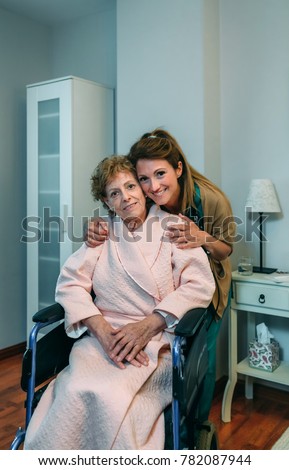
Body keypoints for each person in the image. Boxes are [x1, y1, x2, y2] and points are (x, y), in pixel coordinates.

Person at [24, 155, 215, 450]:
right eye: (115, 193)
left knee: (115, 399)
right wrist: (99, 327)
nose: (125, 197)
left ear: (142, 189)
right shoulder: (102, 233)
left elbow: (199, 284)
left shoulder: (174, 226)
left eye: (130, 186)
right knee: (75, 389)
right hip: (102, 340)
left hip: (156, 344)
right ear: (106, 200)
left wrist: (151, 324)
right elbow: (71, 283)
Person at [85, 129, 236, 424]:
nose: (152, 186)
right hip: (169, 290)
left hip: (210, 284)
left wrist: (201, 236)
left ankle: (195, 429)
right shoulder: (142, 202)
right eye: (143, 179)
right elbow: (121, 212)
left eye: (160, 174)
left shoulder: (211, 199)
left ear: (178, 169)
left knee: (198, 360)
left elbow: (225, 250)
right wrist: (97, 226)